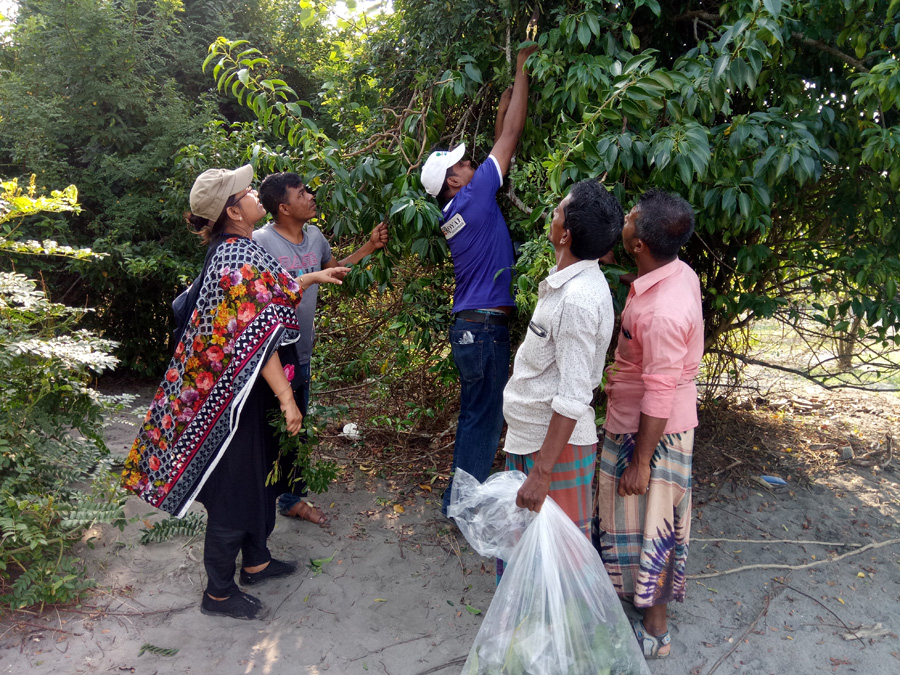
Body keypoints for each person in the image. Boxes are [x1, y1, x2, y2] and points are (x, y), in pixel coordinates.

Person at [122, 165, 348, 620]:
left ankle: (257, 562)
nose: (253, 193)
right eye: (244, 191)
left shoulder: (238, 248)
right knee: (235, 488)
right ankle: (219, 593)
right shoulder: (234, 256)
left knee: (258, 476)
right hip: (226, 400)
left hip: (242, 392)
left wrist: (311, 279)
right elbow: (256, 333)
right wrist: (287, 398)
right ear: (234, 211)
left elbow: (270, 293)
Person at [420, 44, 537, 516]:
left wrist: (502, 105)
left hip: (471, 327)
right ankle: (461, 507)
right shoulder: (475, 195)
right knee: (484, 422)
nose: (470, 163)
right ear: (454, 181)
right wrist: (522, 68)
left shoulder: (457, 209)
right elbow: (511, 137)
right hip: (485, 331)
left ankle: (456, 500)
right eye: (462, 164)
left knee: (475, 417)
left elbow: (497, 147)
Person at [592, 189, 703, 659]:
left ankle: (656, 631)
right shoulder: (678, 273)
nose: (624, 220)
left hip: (651, 432)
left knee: (652, 527)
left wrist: (640, 463)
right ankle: (636, 602)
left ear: (639, 244)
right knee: (636, 522)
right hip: (647, 421)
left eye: (630, 219)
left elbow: (659, 391)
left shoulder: (661, 314)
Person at [497, 180, 621, 579]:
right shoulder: (568, 285)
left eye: (556, 211)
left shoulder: (577, 301)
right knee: (530, 557)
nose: (551, 216)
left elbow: (572, 396)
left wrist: (542, 472)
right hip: (535, 441)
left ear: (565, 234)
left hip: (552, 450)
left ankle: (557, 623)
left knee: (557, 566)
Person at [254, 172, 388, 525]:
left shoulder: (314, 237)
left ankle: (291, 499)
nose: (311, 196)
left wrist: (370, 246)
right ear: (284, 207)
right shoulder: (260, 241)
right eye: (301, 193)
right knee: (265, 429)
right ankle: (257, 501)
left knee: (296, 428)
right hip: (268, 357)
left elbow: (334, 271)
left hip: (301, 353)